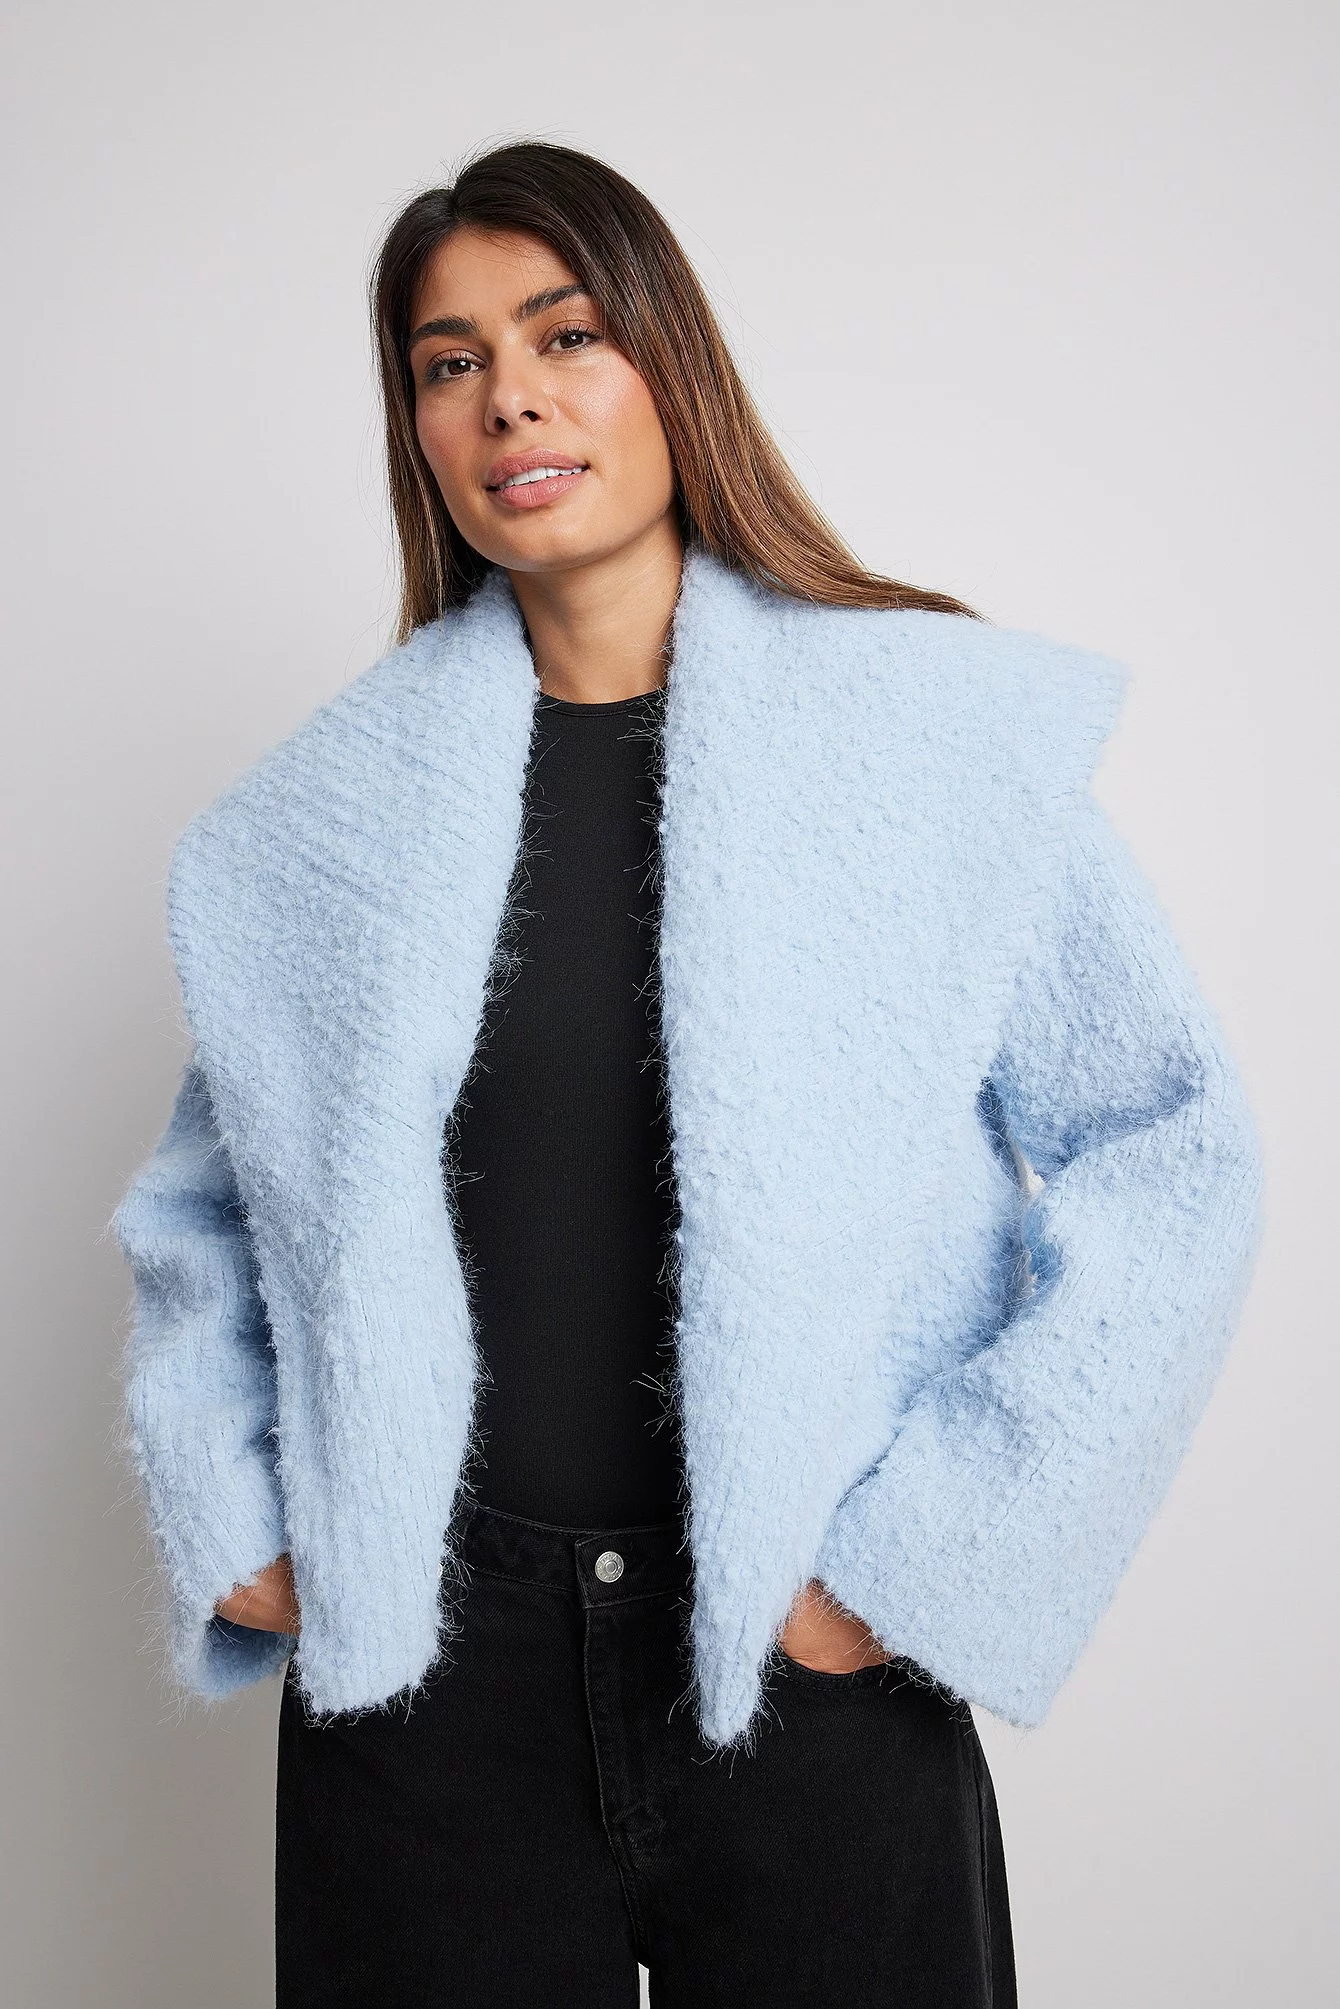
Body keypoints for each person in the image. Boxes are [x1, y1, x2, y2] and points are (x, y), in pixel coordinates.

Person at [115, 141, 1263, 2007]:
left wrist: (919, 1563)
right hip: (427, 1682)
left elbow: (1172, 1149)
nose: (512, 397)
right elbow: (208, 1206)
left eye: (565, 334)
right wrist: (230, 1508)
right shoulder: (318, 830)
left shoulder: (932, 743)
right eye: (450, 362)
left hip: (814, 1657)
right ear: (418, 427)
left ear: (670, 360)